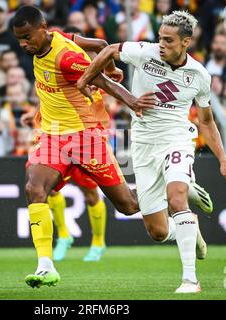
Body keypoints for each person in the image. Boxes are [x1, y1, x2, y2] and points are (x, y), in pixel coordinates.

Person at [77, 11, 226, 293]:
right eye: (160, 38)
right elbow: (110, 49)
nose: (161, 44)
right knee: (159, 232)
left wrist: (223, 160)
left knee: (176, 200)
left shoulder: (199, 75)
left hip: (177, 139)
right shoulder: (144, 53)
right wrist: (87, 78)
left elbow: (206, 121)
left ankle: (190, 279)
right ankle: (191, 230)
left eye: (169, 40)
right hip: (143, 145)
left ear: (186, 42)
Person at [12, 5, 148, 289]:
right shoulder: (51, 41)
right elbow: (101, 44)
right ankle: (46, 266)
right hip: (53, 135)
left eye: (27, 37)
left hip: (86, 136)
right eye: (19, 39)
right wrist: (110, 62)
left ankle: (174, 191)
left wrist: (132, 101)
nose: (24, 44)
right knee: (34, 189)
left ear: (42, 28)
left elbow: (104, 83)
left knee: (128, 206)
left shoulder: (67, 57)